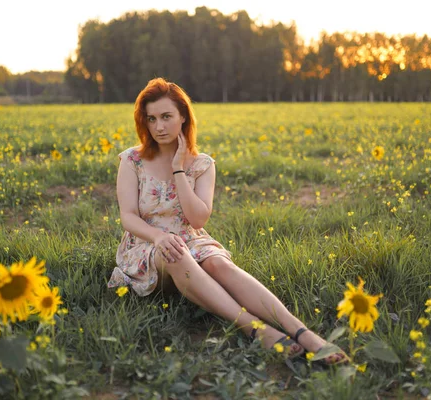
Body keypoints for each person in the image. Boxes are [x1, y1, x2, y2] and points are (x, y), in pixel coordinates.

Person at [107, 77, 345, 364]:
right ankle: (255, 328)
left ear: (183, 117)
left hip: (190, 238)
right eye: (152, 118)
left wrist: (179, 170)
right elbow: (128, 217)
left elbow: (197, 218)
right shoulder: (132, 160)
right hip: (147, 245)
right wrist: (158, 237)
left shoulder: (202, 164)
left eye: (166, 117)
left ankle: (303, 332)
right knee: (176, 251)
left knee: (218, 263)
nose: (158, 126)